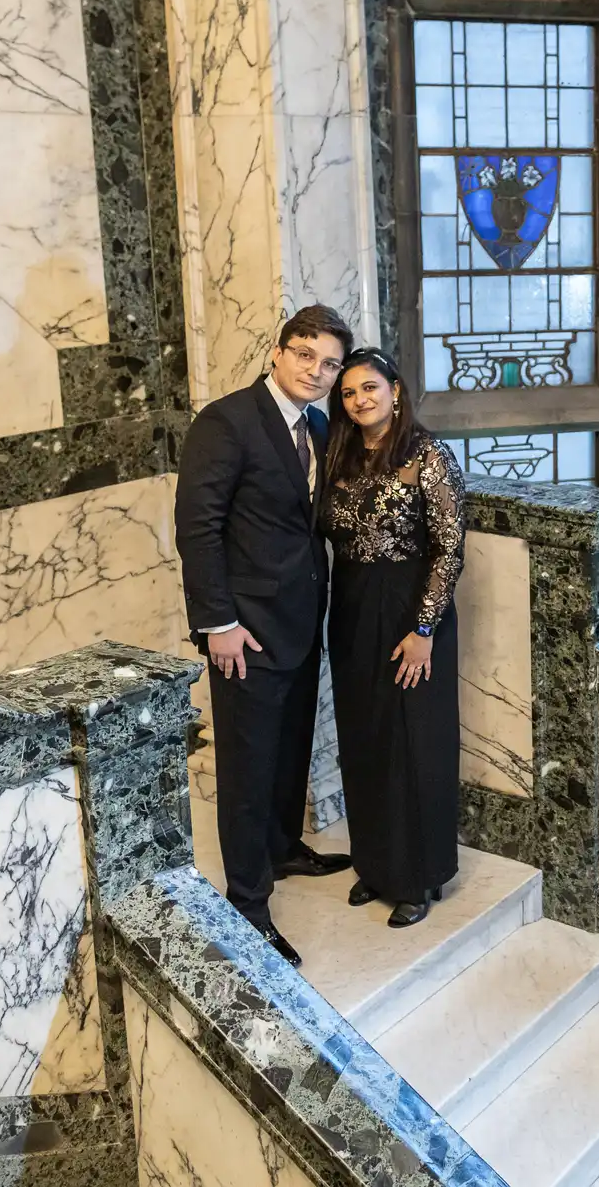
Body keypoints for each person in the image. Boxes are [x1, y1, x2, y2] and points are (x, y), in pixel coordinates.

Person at [174, 306, 356, 965]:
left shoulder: (318, 423)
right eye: (305, 354)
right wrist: (217, 624)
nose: (317, 370)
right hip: (244, 631)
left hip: (303, 621)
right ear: (278, 351)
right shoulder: (227, 421)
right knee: (249, 769)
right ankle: (248, 903)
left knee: (289, 748)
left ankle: (283, 848)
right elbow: (198, 529)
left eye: (330, 363)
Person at [320, 349, 465, 927]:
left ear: (396, 390)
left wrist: (423, 628)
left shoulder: (429, 456)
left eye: (370, 388)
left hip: (411, 609)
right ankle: (375, 866)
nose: (359, 400)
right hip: (353, 606)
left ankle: (418, 877)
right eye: (349, 392)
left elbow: (449, 550)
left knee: (412, 741)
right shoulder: (341, 452)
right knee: (364, 736)